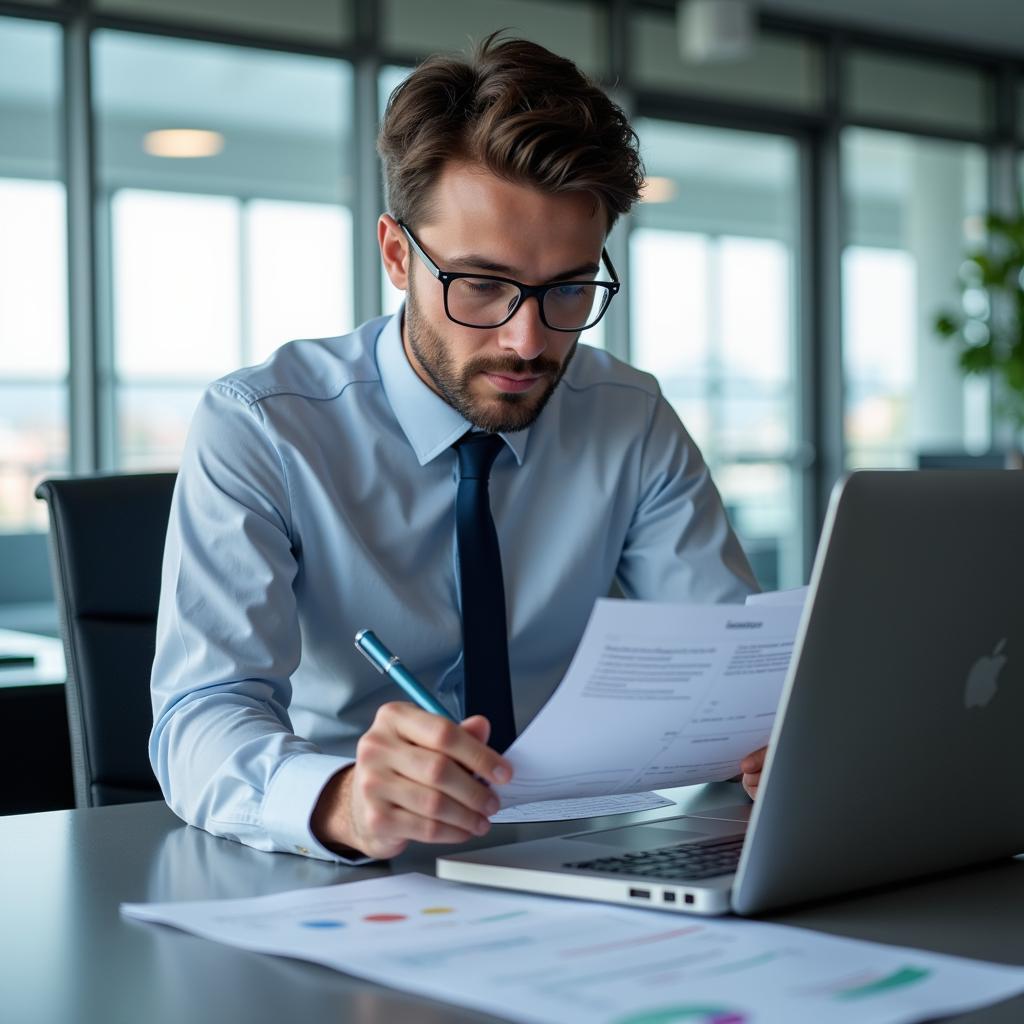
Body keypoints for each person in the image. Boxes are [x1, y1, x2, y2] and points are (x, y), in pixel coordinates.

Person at [149, 34, 764, 864]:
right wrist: (341, 802)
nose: (527, 339)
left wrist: (769, 731)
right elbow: (200, 715)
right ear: (399, 255)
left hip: (585, 846)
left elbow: (725, 661)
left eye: (570, 289)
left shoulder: (629, 414)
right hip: (341, 867)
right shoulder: (262, 425)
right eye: (482, 284)